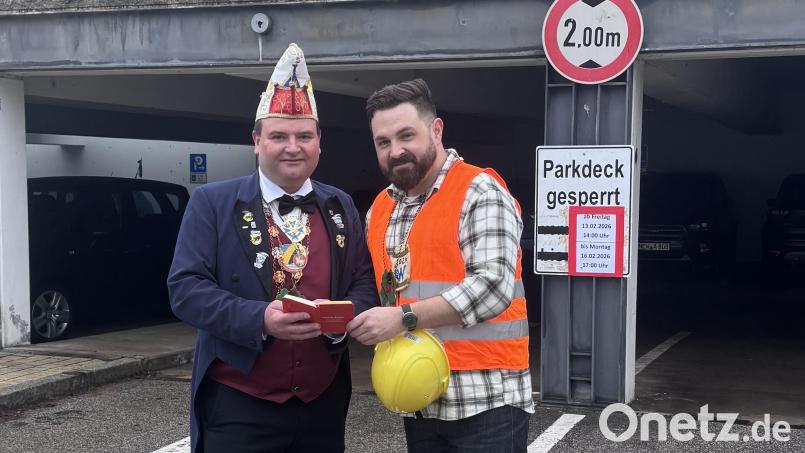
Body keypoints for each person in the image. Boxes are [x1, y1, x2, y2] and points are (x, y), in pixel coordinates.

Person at [168, 43, 377, 453]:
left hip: (322, 402)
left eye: (303, 135)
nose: (292, 146)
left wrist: (347, 315)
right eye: (278, 135)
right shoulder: (211, 203)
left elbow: (363, 281)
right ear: (257, 141)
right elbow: (186, 289)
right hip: (238, 401)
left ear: (319, 141)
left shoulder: (341, 205)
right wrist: (259, 318)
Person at [347, 78, 534, 452]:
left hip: (487, 402)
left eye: (406, 136)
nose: (395, 150)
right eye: (383, 142)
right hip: (419, 399)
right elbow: (382, 288)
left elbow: (492, 288)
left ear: (436, 130)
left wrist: (402, 319)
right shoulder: (382, 208)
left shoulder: (479, 191)